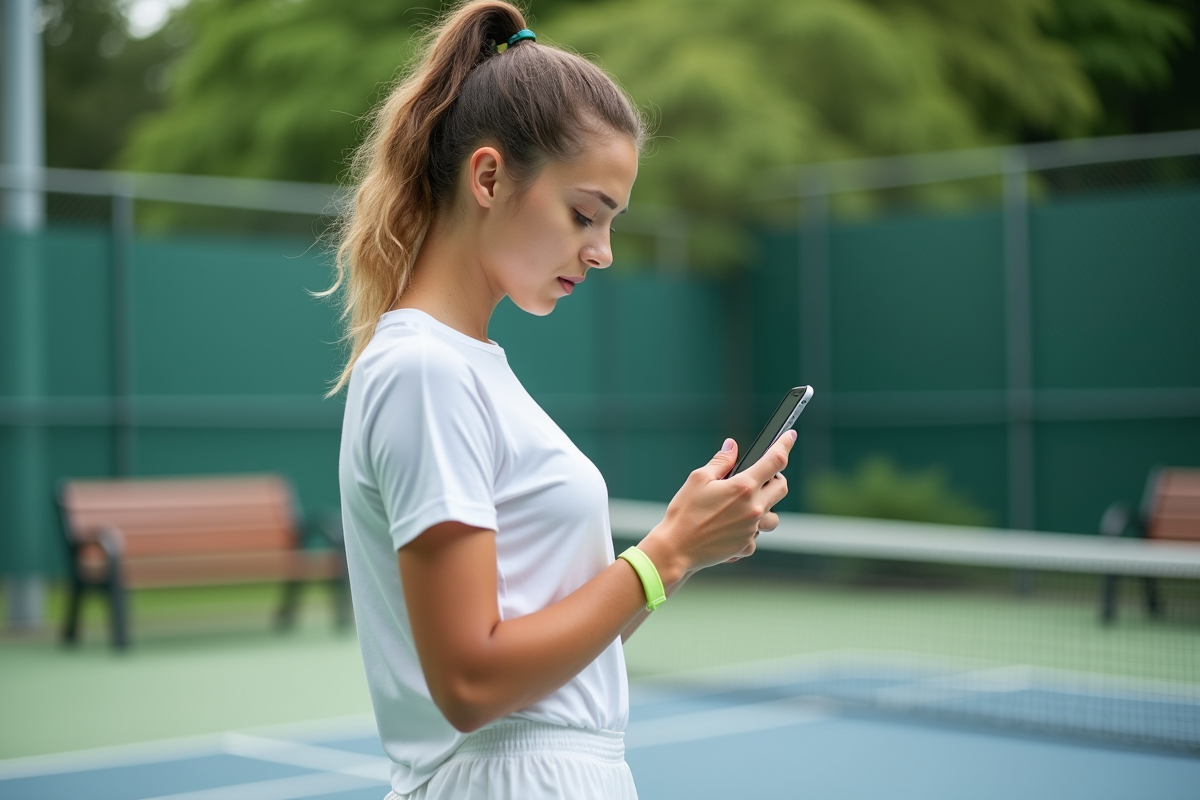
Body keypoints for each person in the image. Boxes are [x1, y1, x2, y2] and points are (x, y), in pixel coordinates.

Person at [330, 2, 795, 798]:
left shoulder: (466, 368)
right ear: (487, 177)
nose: (602, 251)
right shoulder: (425, 372)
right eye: (585, 214)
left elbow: (552, 645)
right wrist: (663, 555)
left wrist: (682, 551)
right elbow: (471, 683)